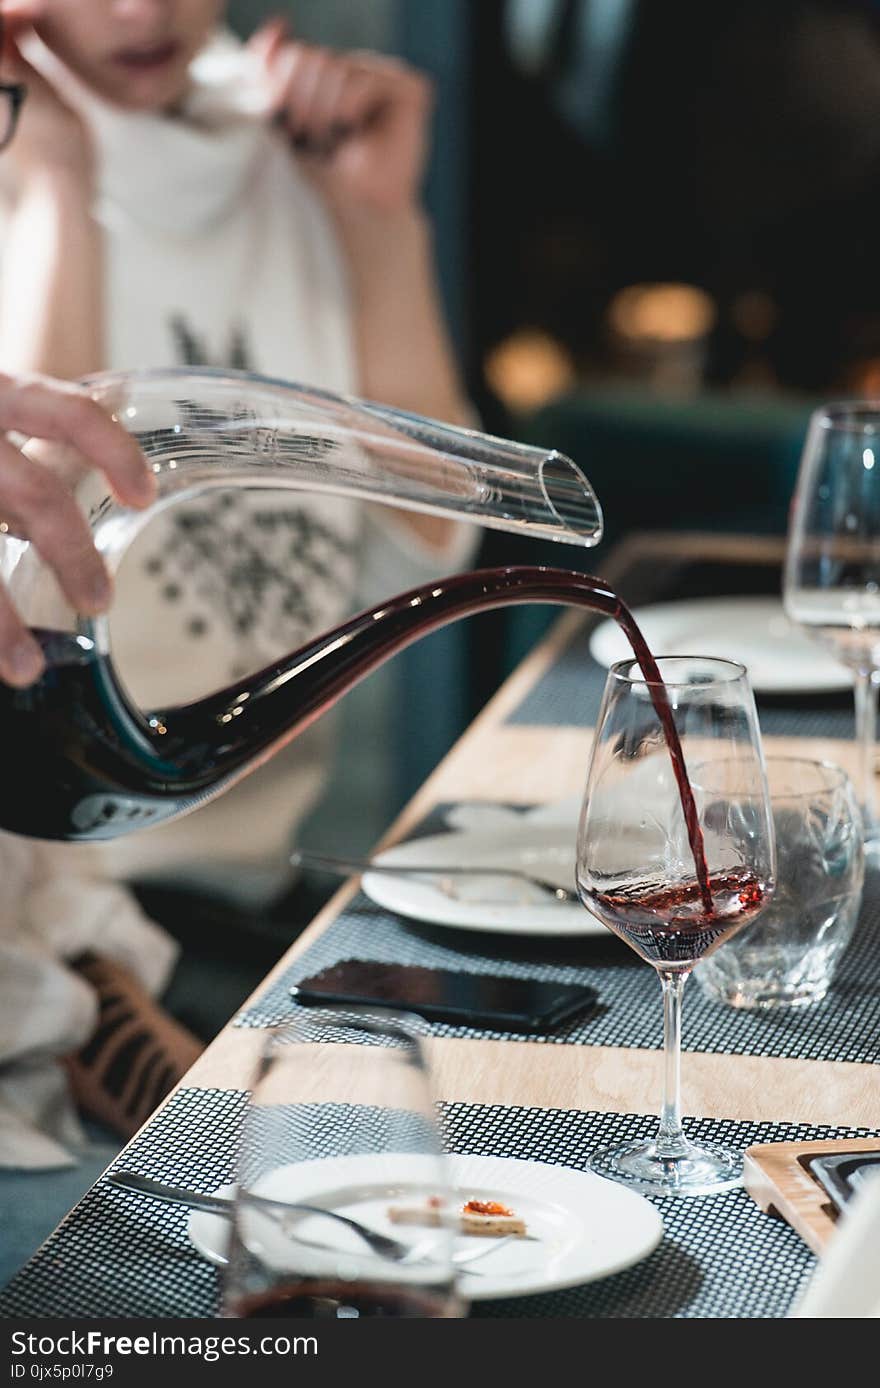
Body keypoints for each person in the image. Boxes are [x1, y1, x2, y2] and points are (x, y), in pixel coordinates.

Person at [0, 0, 479, 1158]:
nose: (137, 9)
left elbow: (428, 538)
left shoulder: (288, 147)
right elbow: (31, 565)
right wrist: (58, 181)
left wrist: (378, 224)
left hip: (262, 898)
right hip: (76, 917)